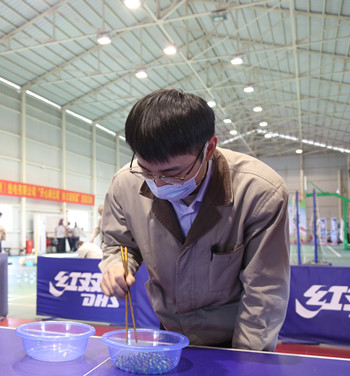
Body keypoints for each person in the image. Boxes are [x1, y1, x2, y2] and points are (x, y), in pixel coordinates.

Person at [99, 89, 290, 351]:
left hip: (235, 337)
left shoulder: (260, 193)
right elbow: (117, 243)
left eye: (173, 173)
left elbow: (265, 290)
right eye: (146, 170)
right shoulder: (125, 184)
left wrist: (248, 360)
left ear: (209, 148)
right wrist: (117, 266)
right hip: (170, 331)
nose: (158, 183)